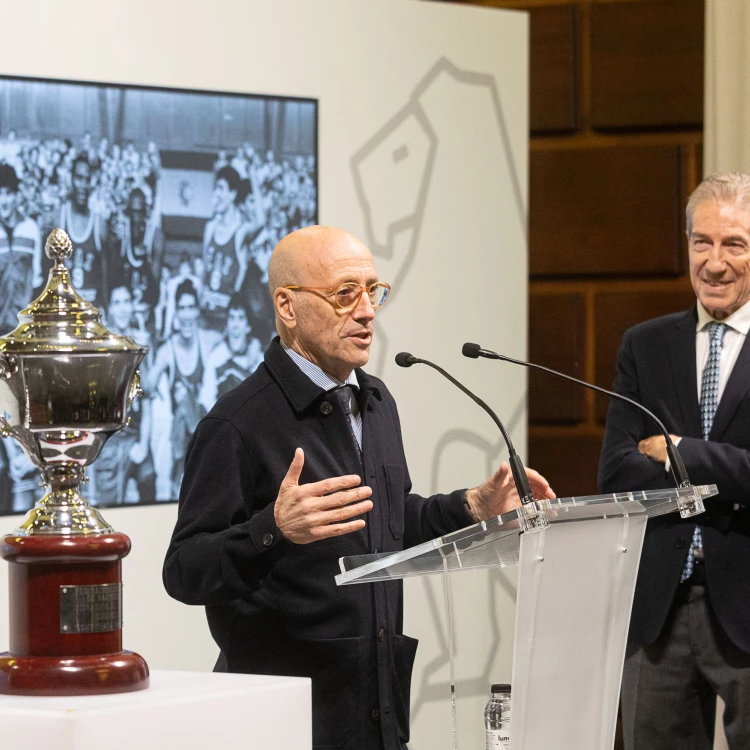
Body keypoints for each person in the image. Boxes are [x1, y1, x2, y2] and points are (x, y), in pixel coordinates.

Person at [163, 225, 554, 750]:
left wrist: (471, 507)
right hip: (285, 719)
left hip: (375, 708)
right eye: (346, 294)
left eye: (374, 291)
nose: (368, 311)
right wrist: (272, 529)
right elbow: (185, 570)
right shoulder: (238, 423)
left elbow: (386, 522)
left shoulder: (375, 402)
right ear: (287, 306)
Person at [598, 173, 750, 750]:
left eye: (733, 244)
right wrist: (728, 471)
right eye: (701, 242)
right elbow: (615, 470)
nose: (713, 263)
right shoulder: (645, 344)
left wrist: (680, 452)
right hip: (659, 607)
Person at [150, 279, 221, 499]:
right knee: (181, 398)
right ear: (176, 312)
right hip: (176, 437)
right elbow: (148, 386)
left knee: (188, 400)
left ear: (197, 311)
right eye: (182, 308)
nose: (187, 314)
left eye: (191, 307)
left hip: (205, 423)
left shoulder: (209, 341)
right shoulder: (167, 351)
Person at [59, 154, 107, 307]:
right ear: (70, 179)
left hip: (89, 316)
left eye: (87, 180)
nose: (83, 185)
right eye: (79, 178)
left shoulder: (100, 224)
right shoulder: (58, 219)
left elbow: (106, 277)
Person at [0, 164, 42, 333]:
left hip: (23, 329)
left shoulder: (31, 229)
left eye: (9, 193)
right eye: (0, 193)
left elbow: (37, 281)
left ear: (16, 195)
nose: (4, 200)